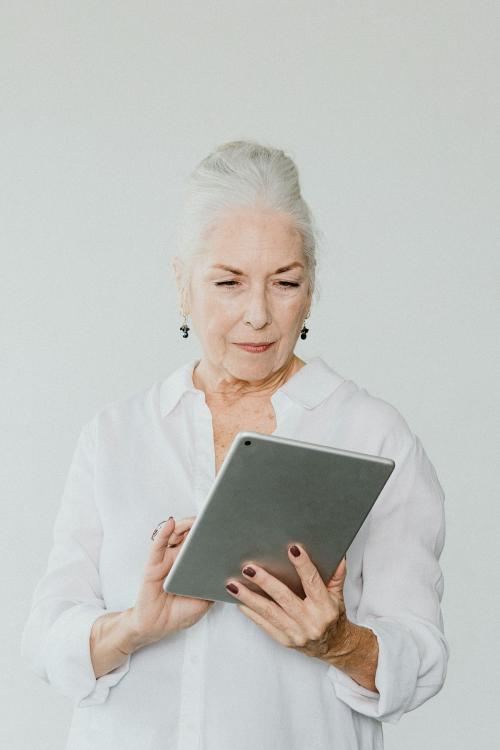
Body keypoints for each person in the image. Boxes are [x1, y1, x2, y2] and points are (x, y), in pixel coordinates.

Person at [21, 140, 449, 750]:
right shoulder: (118, 434)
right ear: (182, 285)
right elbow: (46, 638)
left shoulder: (370, 434)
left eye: (285, 282)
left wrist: (337, 642)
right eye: (228, 281)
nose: (258, 314)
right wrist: (133, 628)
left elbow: (422, 654)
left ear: (310, 288)